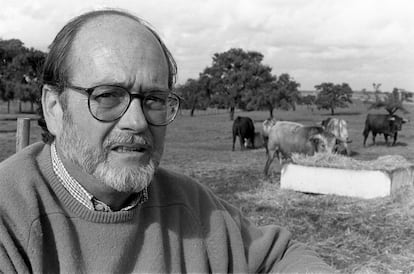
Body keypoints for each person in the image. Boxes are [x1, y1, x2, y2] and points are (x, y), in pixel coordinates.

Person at [0, 9, 336, 273]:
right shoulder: (11, 217)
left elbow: (279, 256)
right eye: (107, 96)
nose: (137, 121)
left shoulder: (192, 207)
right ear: (54, 107)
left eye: (155, 99)